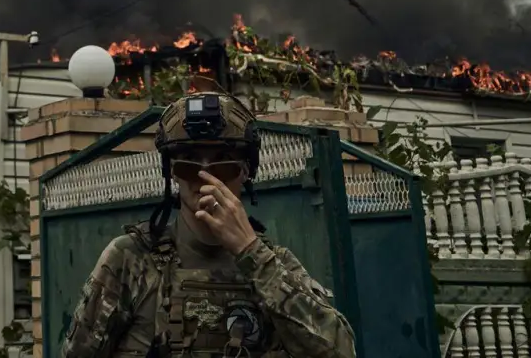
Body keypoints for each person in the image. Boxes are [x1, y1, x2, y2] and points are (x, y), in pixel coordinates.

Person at [56, 89, 358, 358]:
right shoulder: (130, 260)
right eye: (188, 163)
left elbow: (340, 351)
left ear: (245, 172)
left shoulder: (274, 265)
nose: (205, 177)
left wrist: (250, 252)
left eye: (222, 163)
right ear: (172, 172)